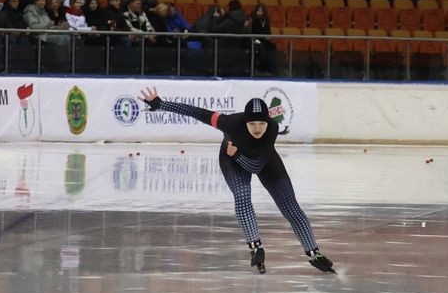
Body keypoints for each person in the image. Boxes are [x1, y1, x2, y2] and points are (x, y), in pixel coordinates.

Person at [137, 89, 336, 274]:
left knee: (291, 207)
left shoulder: (273, 128)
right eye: (252, 124)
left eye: (262, 124)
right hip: (231, 160)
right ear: (244, 122)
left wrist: (239, 154)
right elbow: (196, 112)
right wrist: (161, 104)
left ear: (268, 122)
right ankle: (256, 248)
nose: (258, 129)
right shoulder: (230, 123)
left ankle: (313, 252)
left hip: (257, 160)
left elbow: (256, 167)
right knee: (242, 196)